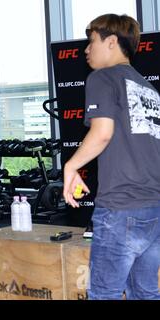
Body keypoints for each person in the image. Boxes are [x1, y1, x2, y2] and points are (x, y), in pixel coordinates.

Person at [63, 14, 160, 300]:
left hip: (120, 208)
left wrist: (71, 165)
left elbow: (102, 132)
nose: (86, 50)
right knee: (146, 293)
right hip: (154, 209)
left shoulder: (102, 77)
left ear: (112, 41)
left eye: (92, 41)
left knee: (103, 294)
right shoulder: (149, 90)